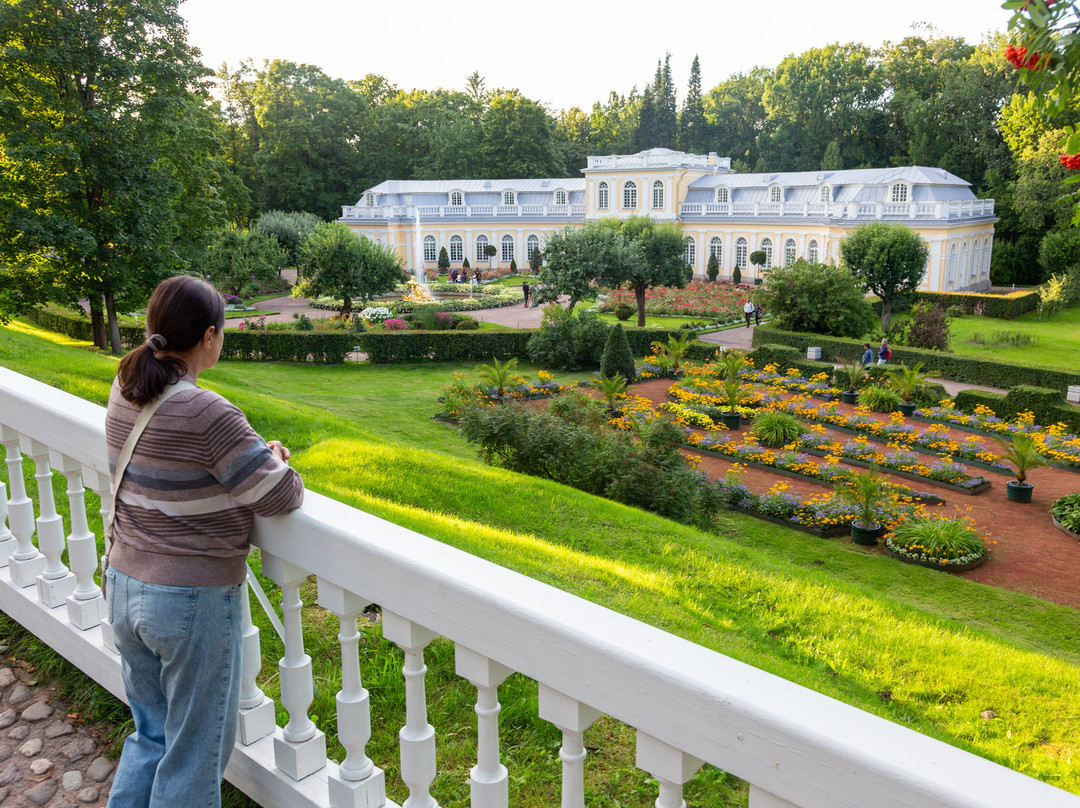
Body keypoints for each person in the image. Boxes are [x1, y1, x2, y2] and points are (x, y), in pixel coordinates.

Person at [105, 276, 304, 808]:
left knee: (151, 736)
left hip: (124, 582)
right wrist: (275, 456)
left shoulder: (126, 386)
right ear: (210, 336)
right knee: (192, 758)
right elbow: (280, 495)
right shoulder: (207, 412)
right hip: (188, 600)